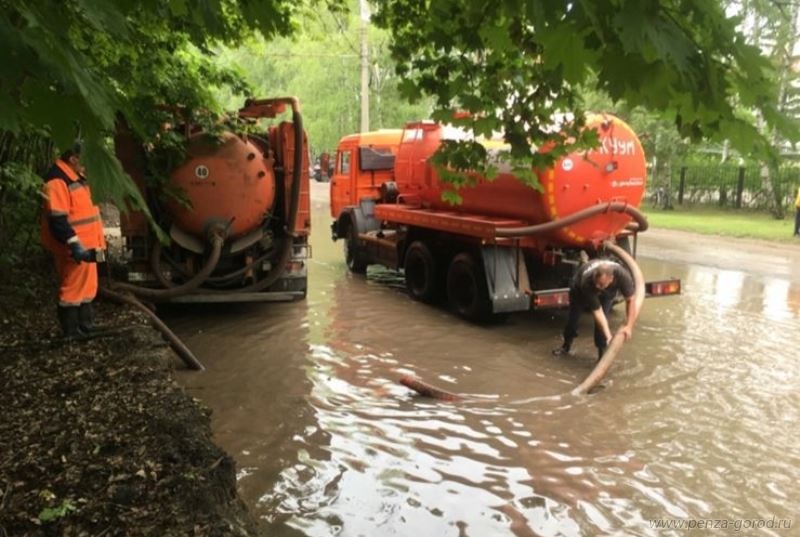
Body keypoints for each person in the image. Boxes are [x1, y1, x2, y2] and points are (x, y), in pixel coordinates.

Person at [40, 143, 107, 339]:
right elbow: (57, 220)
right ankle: (71, 331)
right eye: (85, 161)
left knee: (88, 286)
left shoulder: (76, 177)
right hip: (74, 248)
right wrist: (75, 244)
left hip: (91, 244)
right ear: (73, 159)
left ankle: (86, 325)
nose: (88, 166)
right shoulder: (57, 180)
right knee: (73, 289)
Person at [552, 258, 638, 360]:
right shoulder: (587, 281)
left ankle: (601, 355)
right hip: (579, 291)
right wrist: (609, 335)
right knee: (573, 320)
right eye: (596, 283)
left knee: (601, 326)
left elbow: (631, 300)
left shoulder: (622, 276)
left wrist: (629, 326)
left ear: (611, 279)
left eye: (601, 284)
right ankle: (566, 346)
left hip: (607, 294)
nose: (597, 286)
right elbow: (598, 312)